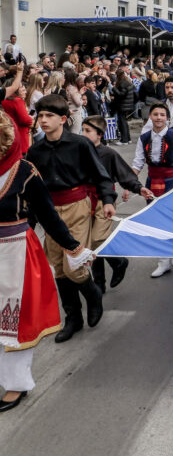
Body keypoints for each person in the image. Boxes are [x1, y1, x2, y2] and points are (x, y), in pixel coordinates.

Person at [0, 112, 87, 412]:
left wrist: (73, 247)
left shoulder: (24, 171)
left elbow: (48, 215)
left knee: (13, 322)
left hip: (16, 253)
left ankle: (16, 384)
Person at [26, 94, 116, 343]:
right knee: (57, 268)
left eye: (48, 116)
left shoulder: (80, 144)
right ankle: (73, 318)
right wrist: (29, 224)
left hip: (77, 207)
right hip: (50, 213)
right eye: (39, 115)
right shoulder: (35, 151)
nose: (42, 120)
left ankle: (94, 295)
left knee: (74, 265)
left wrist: (108, 200)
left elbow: (101, 175)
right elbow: (32, 191)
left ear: (63, 119)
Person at [81, 115, 153, 293]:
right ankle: (99, 282)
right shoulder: (78, 151)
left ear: (99, 134)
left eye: (87, 131)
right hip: (83, 200)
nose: (83, 134)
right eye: (82, 130)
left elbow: (124, 174)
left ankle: (118, 261)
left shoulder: (108, 153)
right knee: (90, 242)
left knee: (98, 239)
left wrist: (138, 187)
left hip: (104, 200)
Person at [132, 102, 173, 278]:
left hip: (172, 181)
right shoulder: (144, 137)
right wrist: (129, 183)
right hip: (152, 181)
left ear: (168, 118)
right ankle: (162, 261)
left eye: (162, 115)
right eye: (155, 114)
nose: (159, 118)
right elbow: (138, 162)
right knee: (155, 220)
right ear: (150, 117)